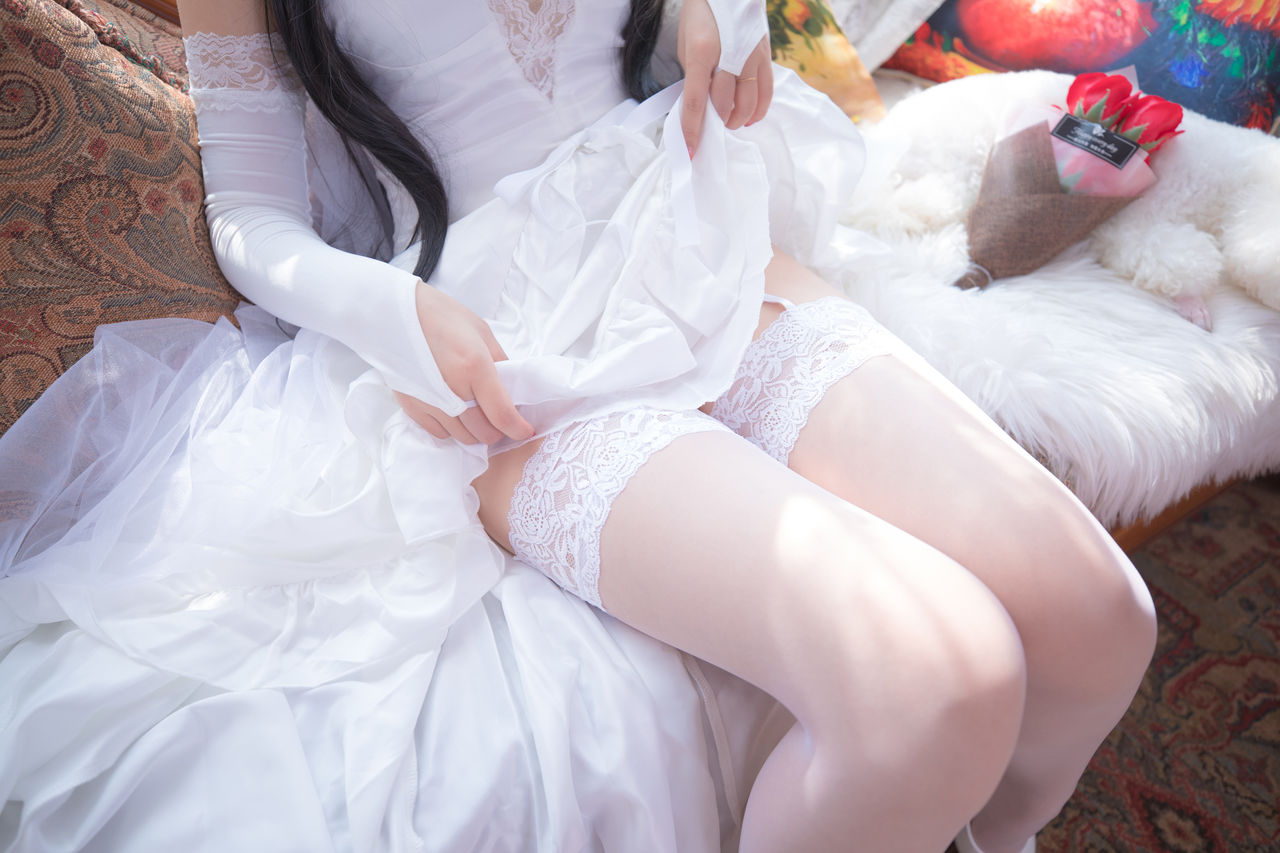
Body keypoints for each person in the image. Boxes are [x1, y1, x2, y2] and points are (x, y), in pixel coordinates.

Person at [0, 1, 1156, 851]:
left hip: (693, 231)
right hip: (509, 345)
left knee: (1097, 618)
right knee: (935, 688)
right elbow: (251, 216)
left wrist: (721, 12)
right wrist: (387, 312)